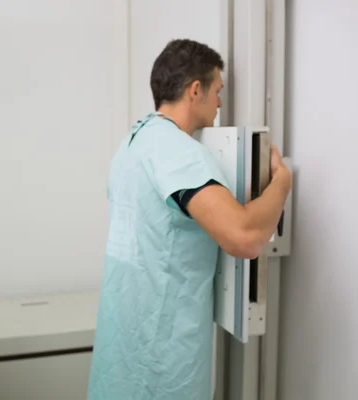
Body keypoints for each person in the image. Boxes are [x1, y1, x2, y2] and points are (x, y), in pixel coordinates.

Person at [87, 39, 292, 399]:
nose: (219, 103)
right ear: (195, 89)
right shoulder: (178, 151)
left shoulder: (134, 142)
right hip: (161, 359)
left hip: (123, 351)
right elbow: (244, 237)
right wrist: (282, 182)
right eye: (218, 91)